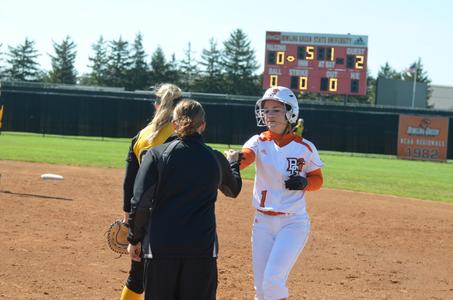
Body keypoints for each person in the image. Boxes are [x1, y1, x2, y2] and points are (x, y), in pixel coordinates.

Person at [127, 99, 242, 300]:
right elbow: (232, 190)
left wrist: (134, 238)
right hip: (201, 248)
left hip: (161, 247)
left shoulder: (156, 155)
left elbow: (140, 201)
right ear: (203, 126)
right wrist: (233, 164)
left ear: (174, 124)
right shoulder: (215, 157)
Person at [239, 86, 323, 300]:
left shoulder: (305, 148)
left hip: (292, 222)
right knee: (261, 287)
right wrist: (231, 162)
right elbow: (244, 158)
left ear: (290, 113)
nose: (269, 115)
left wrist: (305, 183)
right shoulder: (258, 142)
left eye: (276, 109)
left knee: (273, 279)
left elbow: (318, 180)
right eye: (266, 110)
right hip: (262, 222)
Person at [120, 83, 183, 300]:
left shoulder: (141, 136)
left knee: (136, 277)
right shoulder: (178, 136)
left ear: (156, 105)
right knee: (170, 280)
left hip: (143, 215)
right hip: (169, 217)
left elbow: (130, 183)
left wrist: (129, 220)